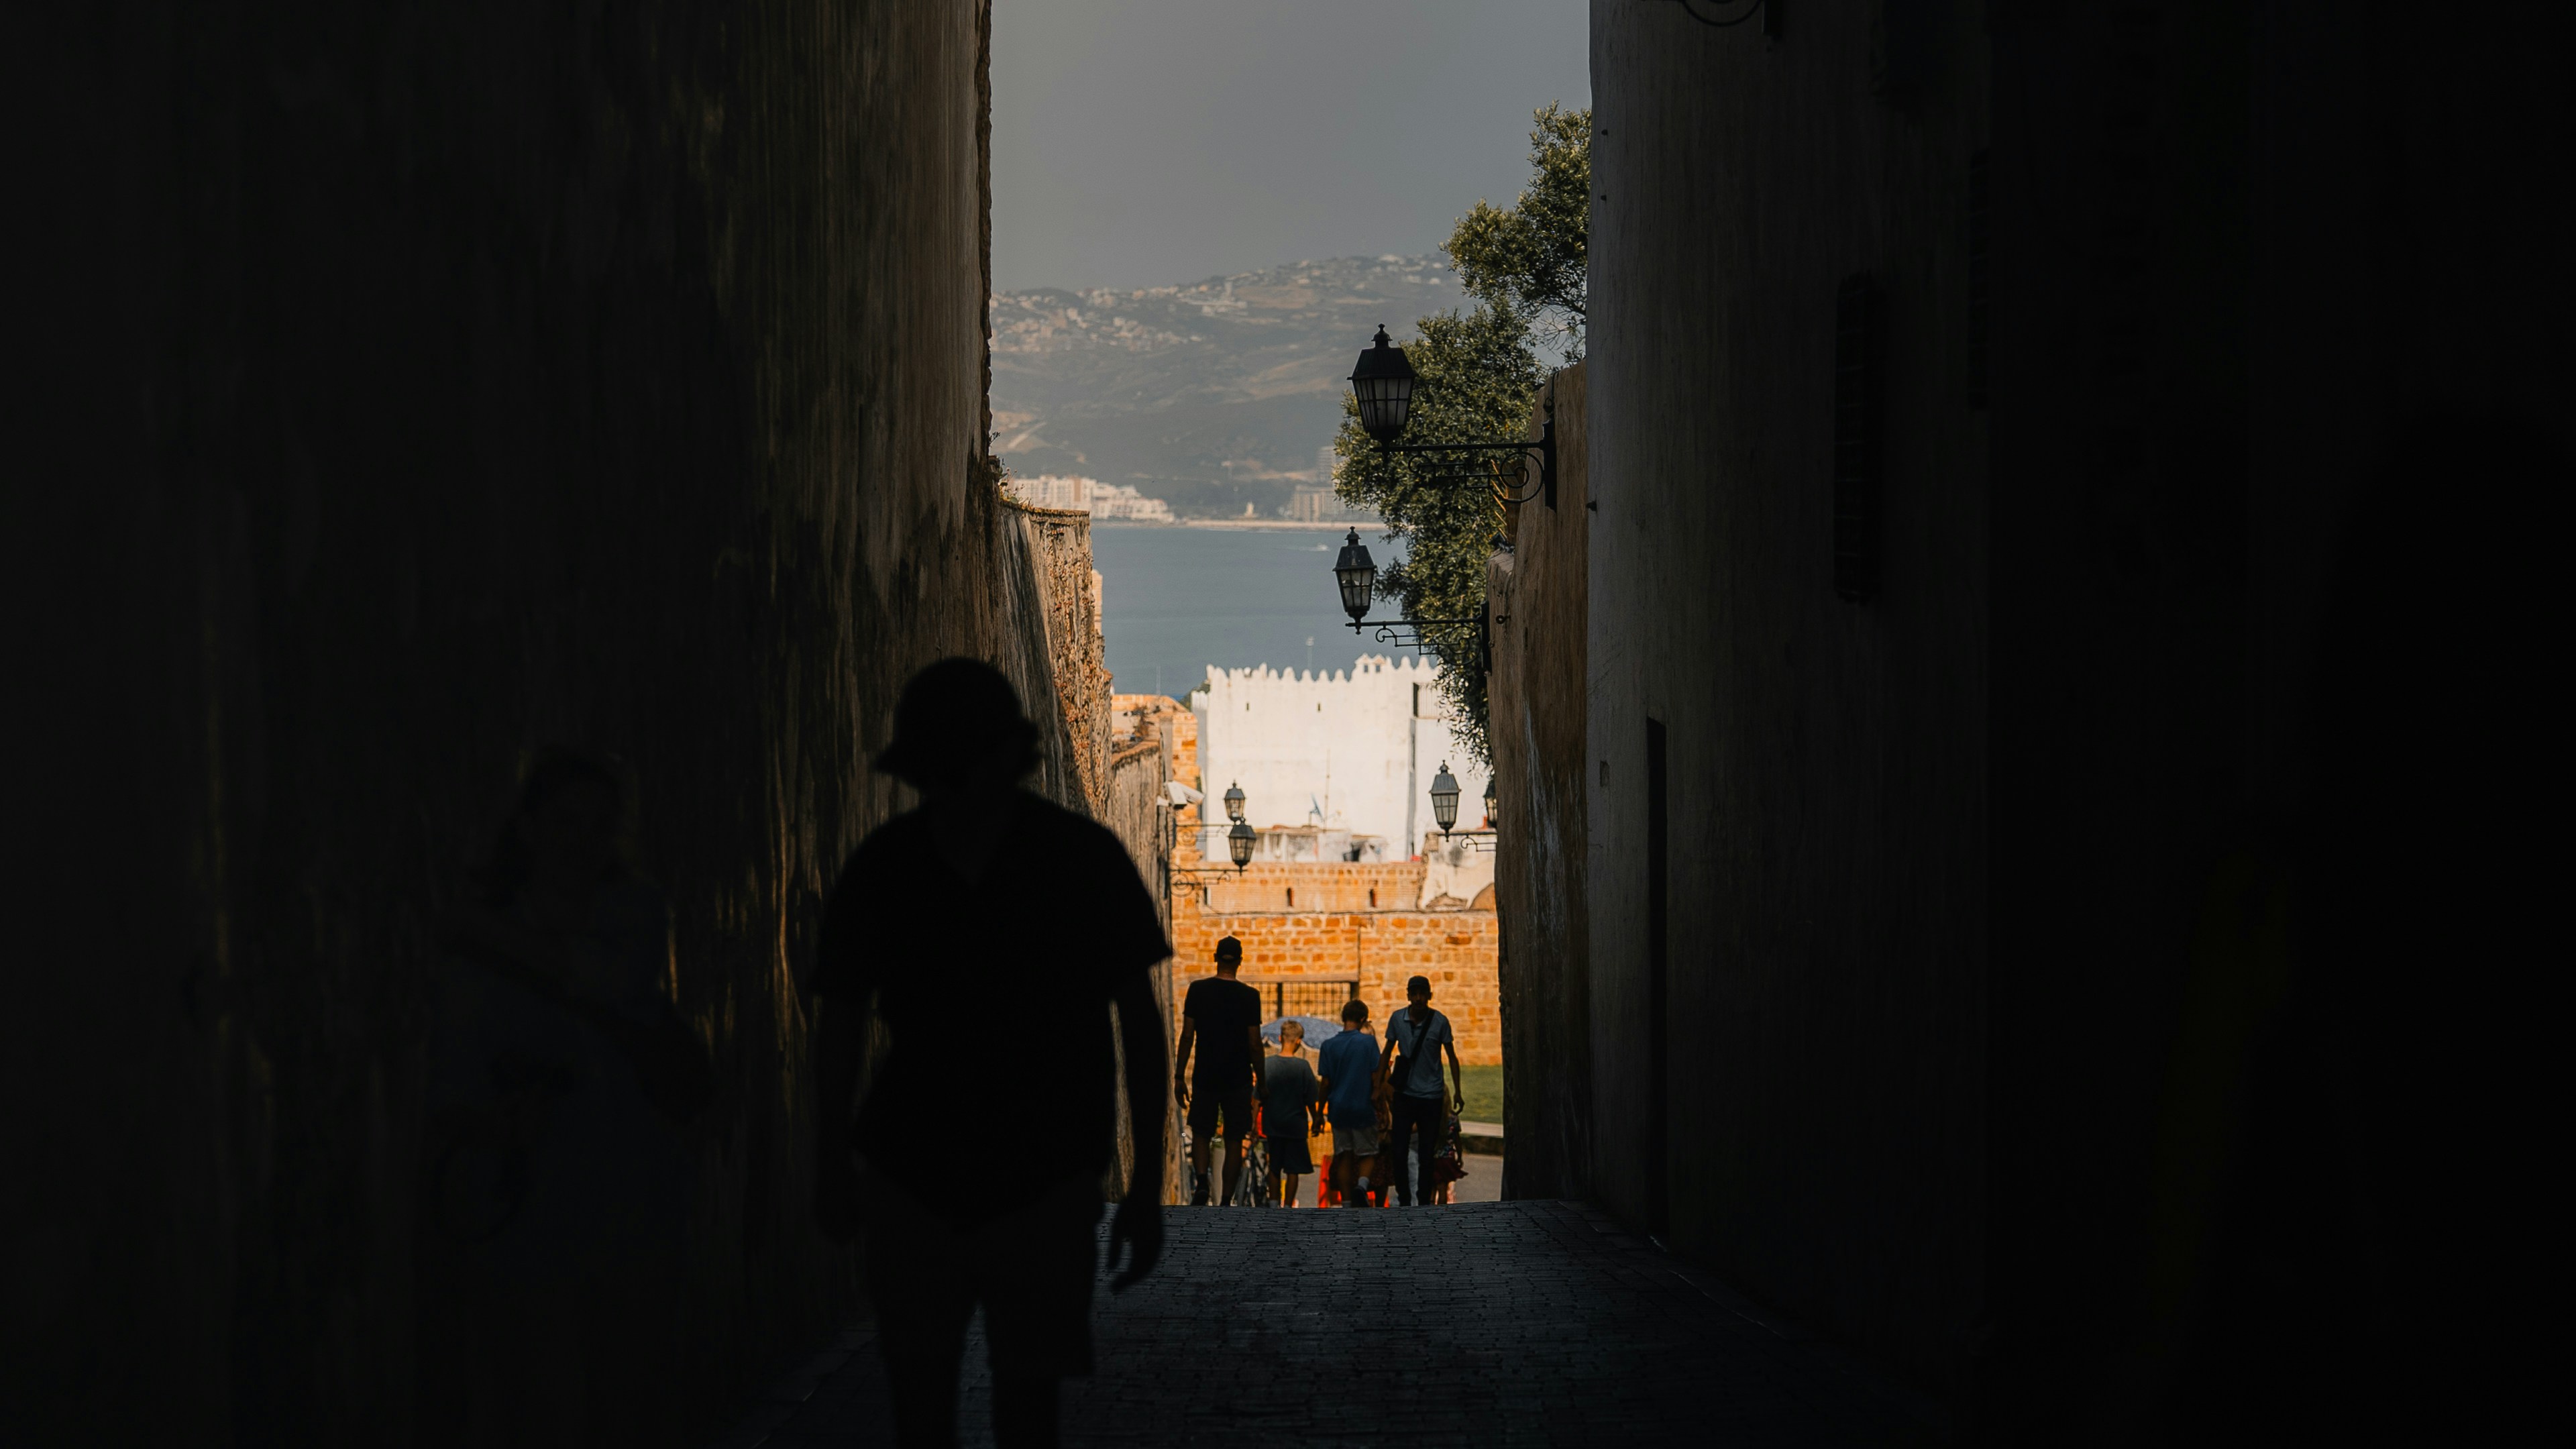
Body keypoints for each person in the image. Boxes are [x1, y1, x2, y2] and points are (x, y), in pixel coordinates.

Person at [810, 659, 1169, 1449]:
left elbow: (838, 1027)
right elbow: (1139, 1024)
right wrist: (1139, 1184)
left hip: (973, 1168)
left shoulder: (887, 863)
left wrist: (832, 1160)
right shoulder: (1083, 859)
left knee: (966, 1400)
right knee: (982, 1402)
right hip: (1000, 1169)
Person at [426, 746, 710, 1443]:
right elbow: (451, 1078)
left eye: (599, 825)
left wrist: (483, 929)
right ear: (527, 827)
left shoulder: (633, 911)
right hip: (528, 1213)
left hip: (630, 1210)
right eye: (567, 822)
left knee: (629, 1406)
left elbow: (607, 981)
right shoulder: (484, 941)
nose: (583, 841)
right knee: (536, 1410)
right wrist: (497, 1128)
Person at [1173, 936, 1264, 1205]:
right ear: (1239, 961)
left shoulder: (1198, 990)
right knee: (1235, 1138)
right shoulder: (1250, 997)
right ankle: (1226, 1199)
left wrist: (1179, 1076)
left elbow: (1187, 1036)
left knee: (1201, 1130)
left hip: (1205, 1074)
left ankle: (1202, 1182)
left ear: (1216, 958)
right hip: (1238, 1077)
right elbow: (1255, 1043)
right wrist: (1264, 1081)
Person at [1379, 974, 1464, 1207]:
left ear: (1429, 996)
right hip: (1405, 1094)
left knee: (1427, 1152)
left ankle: (1424, 1199)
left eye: (1422, 994)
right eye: (1414, 993)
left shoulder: (1440, 1022)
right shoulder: (1398, 1020)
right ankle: (1405, 1197)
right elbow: (1387, 1052)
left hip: (1431, 1096)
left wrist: (1457, 1090)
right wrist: (1378, 1086)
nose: (1418, 998)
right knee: (1399, 1150)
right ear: (1408, 996)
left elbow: (1451, 1056)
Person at [1315, 999, 1383, 1208]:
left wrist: (1319, 1113)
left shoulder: (1328, 1046)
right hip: (1362, 1106)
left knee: (1343, 1155)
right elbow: (1375, 1076)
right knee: (1368, 1154)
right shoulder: (1368, 1043)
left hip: (1338, 1108)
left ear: (1343, 1017)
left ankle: (1345, 1203)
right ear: (1363, 1019)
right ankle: (1361, 1187)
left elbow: (1325, 1083)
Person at [1259, 1021, 1323, 1205]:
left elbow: (1257, 1098)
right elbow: (1311, 1100)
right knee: (1292, 1169)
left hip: (1273, 1123)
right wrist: (1317, 1120)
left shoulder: (1267, 1064)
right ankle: (1287, 1205)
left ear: (1280, 1038)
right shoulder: (1303, 1067)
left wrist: (1254, 1124)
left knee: (1274, 1166)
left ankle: (1273, 1203)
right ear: (1299, 1041)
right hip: (1295, 1125)